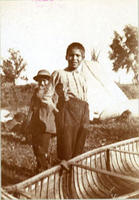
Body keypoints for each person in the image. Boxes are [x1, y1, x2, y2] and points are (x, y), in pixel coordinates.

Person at [40, 43, 90, 168]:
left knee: (79, 147)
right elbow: (47, 96)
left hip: (83, 111)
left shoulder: (83, 76)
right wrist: (56, 110)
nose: (74, 58)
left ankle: (75, 173)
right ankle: (63, 177)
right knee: (66, 150)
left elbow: (85, 96)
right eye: (71, 55)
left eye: (78, 55)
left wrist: (86, 112)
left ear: (82, 58)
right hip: (67, 112)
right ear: (66, 57)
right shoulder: (59, 73)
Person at [26, 69, 58, 172]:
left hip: (46, 125)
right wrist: (28, 123)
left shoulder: (52, 93)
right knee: (35, 148)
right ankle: (40, 166)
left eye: (45, 81)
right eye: (40, 81)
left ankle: (44, 168)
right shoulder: (35, 93)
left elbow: (53, 105)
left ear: (49, 82)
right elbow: (32, 107)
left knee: (42, 149)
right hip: (35, 125)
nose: (42, 83)